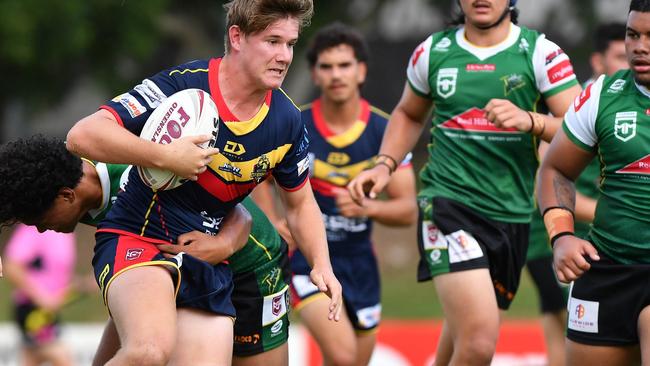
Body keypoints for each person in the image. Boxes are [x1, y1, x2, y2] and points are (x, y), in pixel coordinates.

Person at [65, 0, 342, 364]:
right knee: (148, 352)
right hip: (139, 237)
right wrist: (165, 156)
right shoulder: (182, 87)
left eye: (290, 44)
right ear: (237, 37)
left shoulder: (286, 120)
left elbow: (300, 202)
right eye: (273, 41)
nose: (285, 56)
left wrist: (322, 263)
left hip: (207, 263)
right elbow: (82, 135)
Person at [348, 0, 581, 364]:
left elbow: (577, 127)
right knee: (478, 343)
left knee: (462, 342)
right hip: (447, 204)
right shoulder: (433, 51)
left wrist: (531, 121)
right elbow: (409, 113)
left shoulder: (540, 53)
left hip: (512, 215)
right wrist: (384, 165)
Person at [0, 134, 293, 365]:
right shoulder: (63, 183)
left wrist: (222, 244)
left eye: (39, 220)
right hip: (187, 272)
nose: (39, 229)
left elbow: (238, 209)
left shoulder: (137, 166)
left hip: (253, 266)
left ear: (66, 196)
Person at [290, 23, 417, 365]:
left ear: (361, 71)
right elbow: (255, 180)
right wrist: (274, 221)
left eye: (344, 65)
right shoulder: (292, 123)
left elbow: (408, 209)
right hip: (308, 262)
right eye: (326, 66)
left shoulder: (385, 131)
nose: (336, 75)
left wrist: (368, 210)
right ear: (314, 74)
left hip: (361, 264)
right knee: (345, 357)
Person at [537, 1, 650, 364]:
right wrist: (562, 236)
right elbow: (555, 170)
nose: (640, 46)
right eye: (633, 35)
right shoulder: (603, 95)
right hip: (606, 268)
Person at [525, 21, 628, 366]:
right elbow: (551, 173)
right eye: (623, 55)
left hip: (595, 243)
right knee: (570, 336)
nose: (635, 58)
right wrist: (627, 214)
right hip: (555, 239)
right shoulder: (590, 105)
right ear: (598, 62)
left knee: (559, 336)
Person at [4, 224, 76, 366]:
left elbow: (55, 273)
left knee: (32, 359)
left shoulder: (66, 230)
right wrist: (41, 297)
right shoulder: (34, 228)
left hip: (49, 311)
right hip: (32, 309)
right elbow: (11, 266)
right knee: (60, 355)